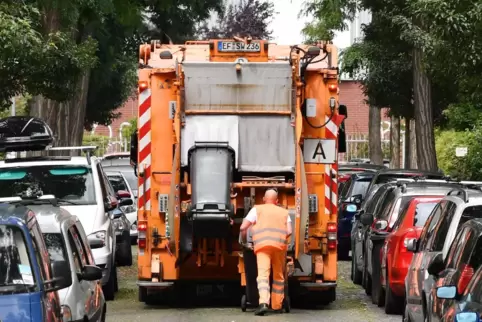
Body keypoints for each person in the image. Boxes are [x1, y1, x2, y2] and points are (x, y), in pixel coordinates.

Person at [240, 188, 292, 316]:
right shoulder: (284, 212)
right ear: (277, 201)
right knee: (278, 276)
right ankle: (277, 305)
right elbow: (289, 231)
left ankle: (263, 303)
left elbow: (243, 228)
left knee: (263, 275)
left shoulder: (257, 209)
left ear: (263, 199)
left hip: (262, 247)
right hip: (279, 248)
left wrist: (245, 242)